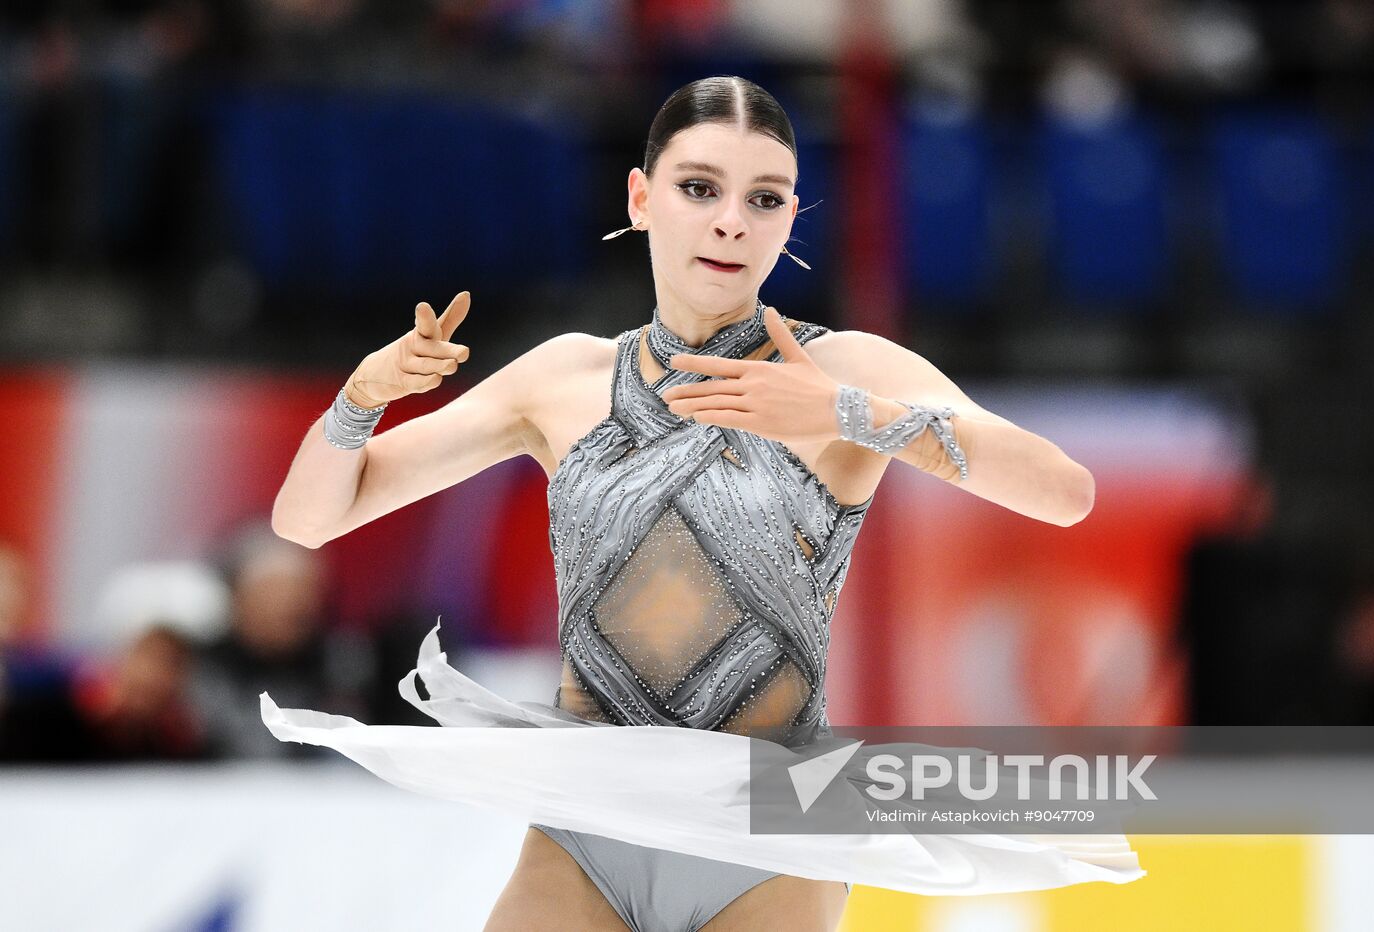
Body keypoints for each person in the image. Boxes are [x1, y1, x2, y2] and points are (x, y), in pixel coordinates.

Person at [263, 76, 1141, 931]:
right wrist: (359, 399)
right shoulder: (562, 379)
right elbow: (308, 519)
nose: (731, 219)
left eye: (765, 200)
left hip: (772, 824)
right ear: (642, 198)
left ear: (791, 220)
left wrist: (847, 414)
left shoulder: (844, 372)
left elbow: (1065, 493)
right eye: (699, 188)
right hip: (589, 827)